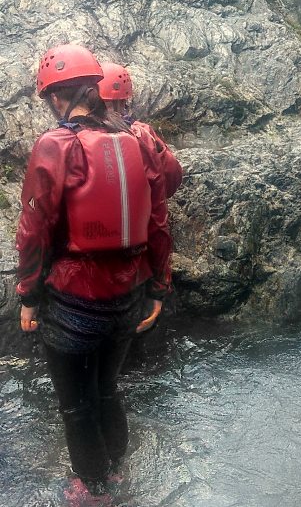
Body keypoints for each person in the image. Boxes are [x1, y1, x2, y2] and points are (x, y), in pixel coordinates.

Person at [16, 44, 172, 504]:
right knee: (106, 387)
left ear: (58, 97)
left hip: (72, 302)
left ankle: (93, 486)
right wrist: (158, 288)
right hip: (128, 297)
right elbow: (159, 223)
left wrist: (27, 294)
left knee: (74, 402)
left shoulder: (56, 144)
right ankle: (118, 471)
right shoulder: (138, 141)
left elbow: (33, 229)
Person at [97, 62, 183, 198]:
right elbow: (172, 177)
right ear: (124, 101)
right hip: (141, 216)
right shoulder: (143, 133)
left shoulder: (77, 135)